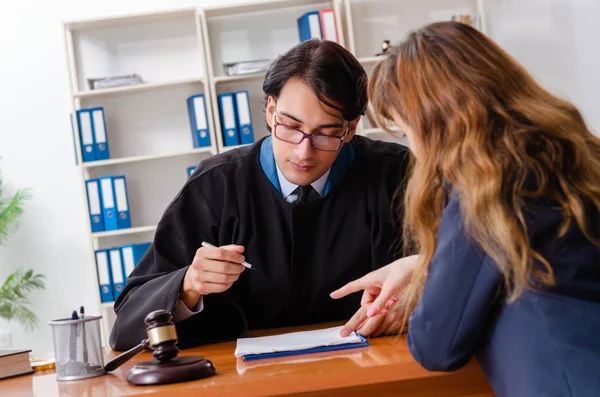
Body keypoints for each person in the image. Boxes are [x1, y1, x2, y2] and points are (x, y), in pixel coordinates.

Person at [331, 21, 600, 397]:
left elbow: (436, 345)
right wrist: (421, 263)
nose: (415, 148)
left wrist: (422, 283)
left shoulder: (487, 190)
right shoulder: (572, 150)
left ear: (436, 122)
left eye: (408, 131)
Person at [109, 39, 411, 351]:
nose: (303, 151)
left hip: (373, 367)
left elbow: (450, 273)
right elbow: (126, 327)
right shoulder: (216, 186)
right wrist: (187, 285)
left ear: (350, 129)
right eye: (290, 127)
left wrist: (412, 302)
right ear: (270, 111)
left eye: (325, 134)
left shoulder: (394, 174)